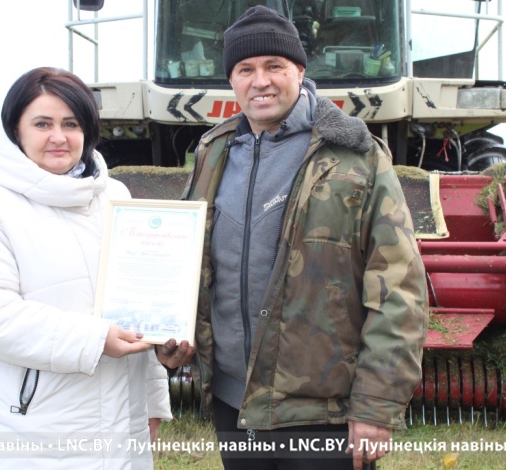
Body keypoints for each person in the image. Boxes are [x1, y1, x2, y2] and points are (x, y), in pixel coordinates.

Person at [158, 5, 427, 470]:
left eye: (274, 67)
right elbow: (193, 263)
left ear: (300, 71)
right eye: (246, 69)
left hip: (323, 409)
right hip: (233, 399)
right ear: (232, 80)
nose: (260, 81)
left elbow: (398, 288)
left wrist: (376, 406)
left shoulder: (356, 157)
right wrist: (174, 331)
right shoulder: (213, 151)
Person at [0, 67, 172, 470]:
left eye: (71, 123)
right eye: (42, 123)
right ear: (15, 129)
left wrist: (153, 401)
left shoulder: (115, 197)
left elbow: (141, 303)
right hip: (34, 429)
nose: (58, 136)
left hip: (123, 426)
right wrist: (96, 337)